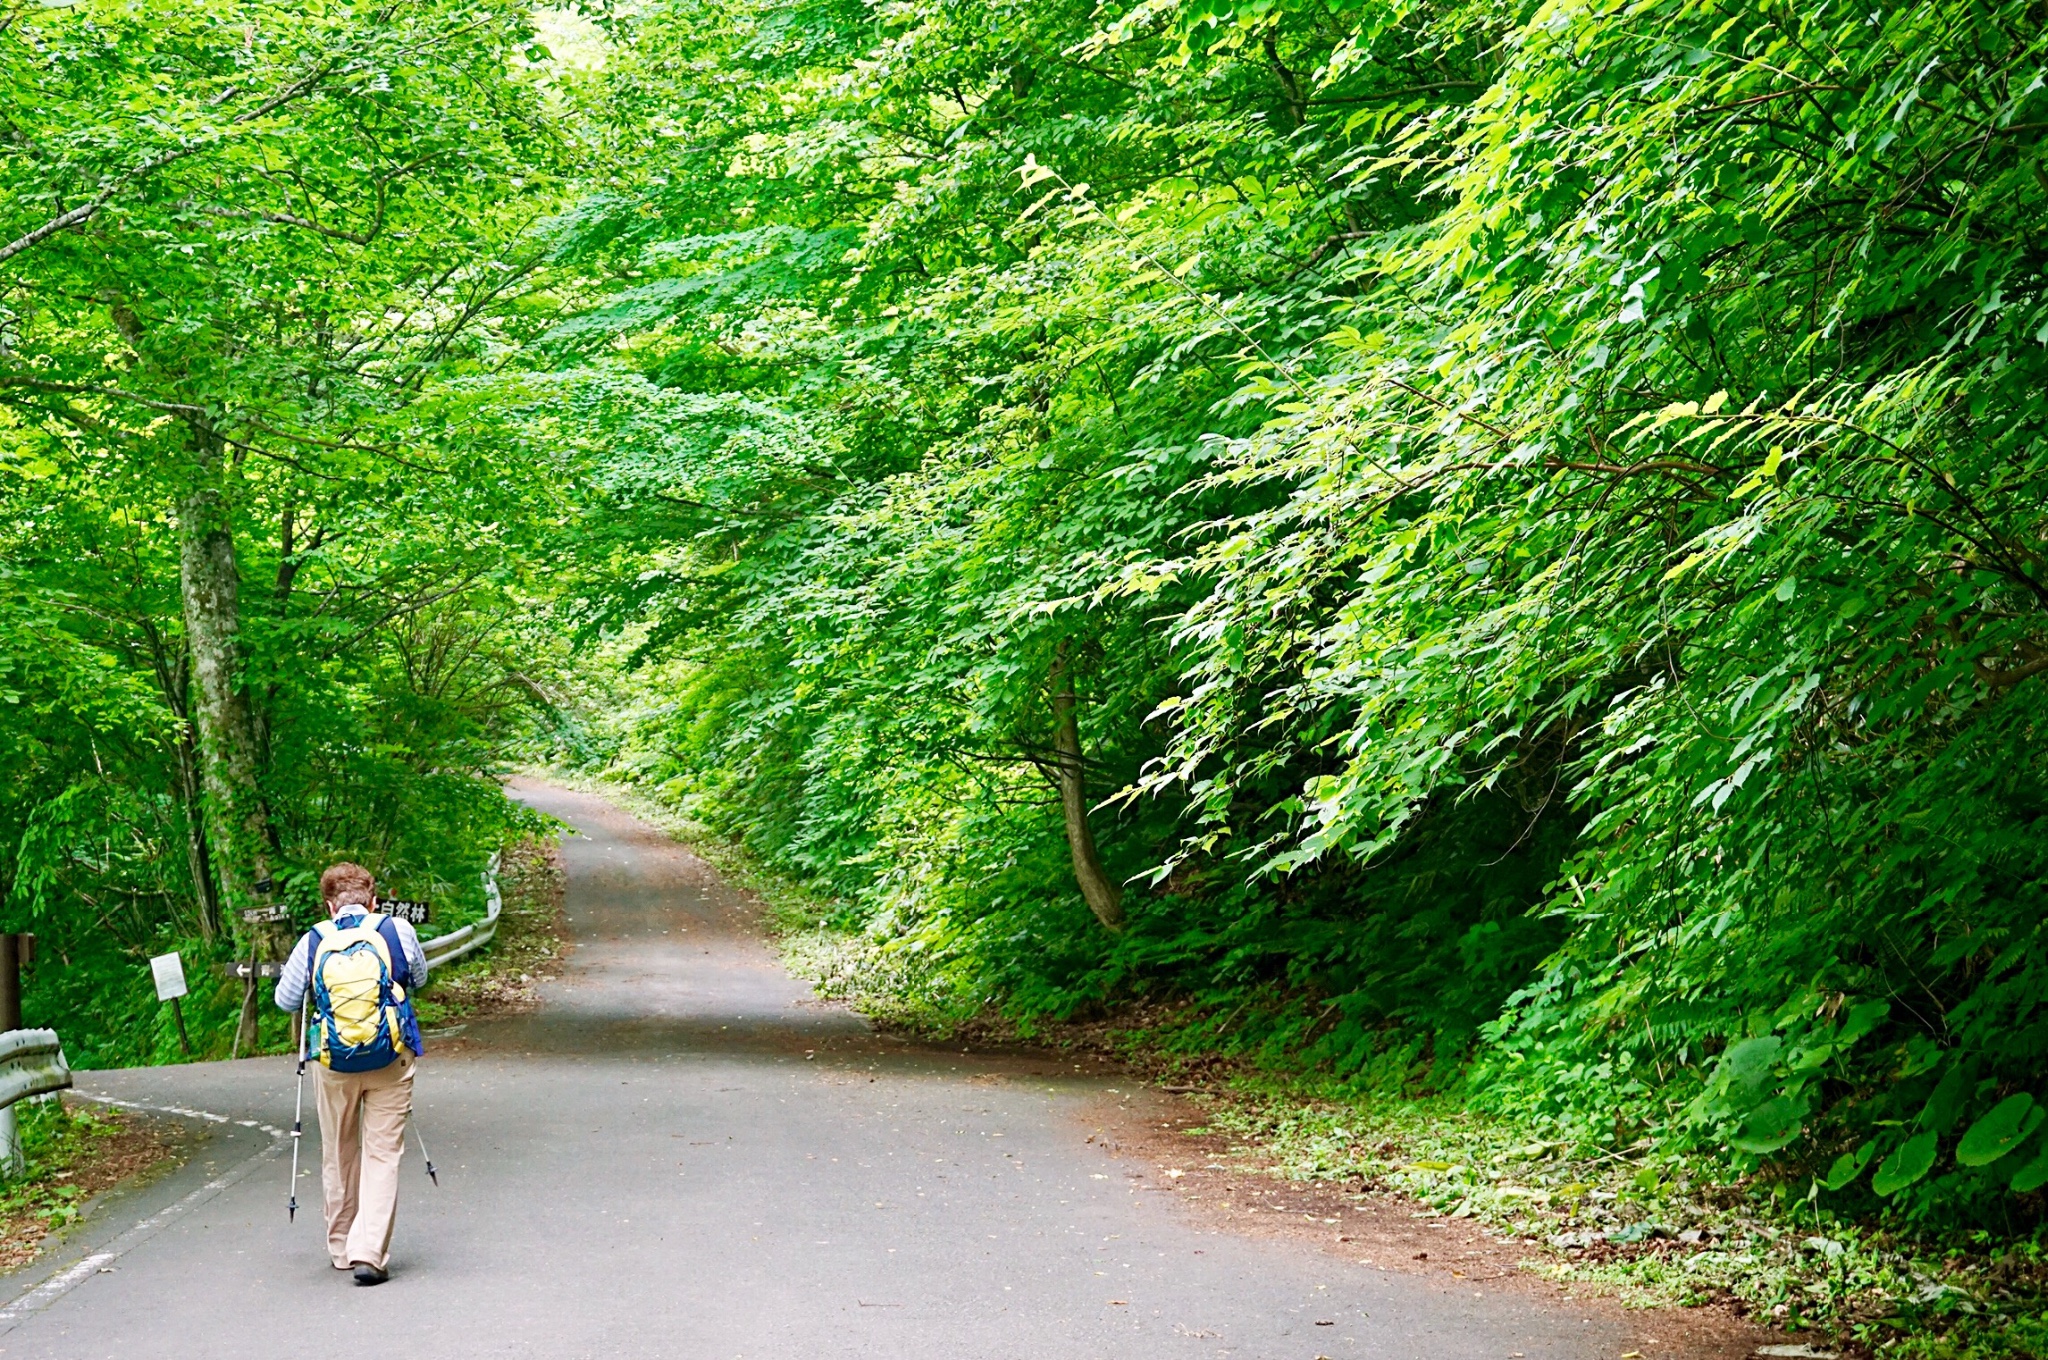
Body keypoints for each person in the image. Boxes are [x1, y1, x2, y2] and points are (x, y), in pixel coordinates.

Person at [275, 862, 429, 1285]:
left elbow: (286, 1000)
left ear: (329, 905)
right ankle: (370, 1252)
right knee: (382, 1154)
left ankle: (342, 1247)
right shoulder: (397, 931)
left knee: (339, 1151)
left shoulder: (314, 940)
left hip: (333, 1064)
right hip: (390, 1059)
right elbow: (419, 977)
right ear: (374, 899)